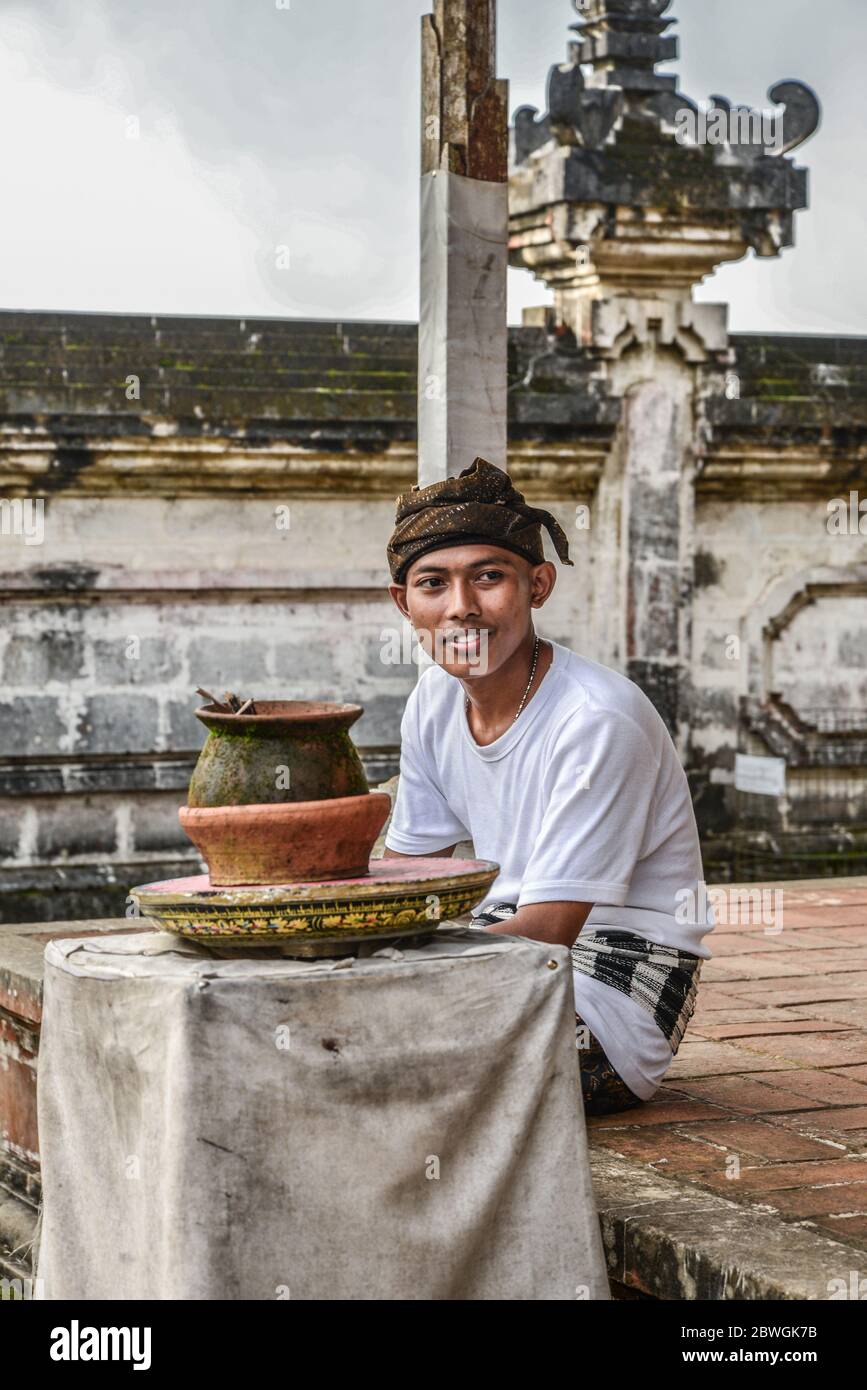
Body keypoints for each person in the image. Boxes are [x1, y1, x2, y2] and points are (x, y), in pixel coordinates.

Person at [381, 456, 715, 1116]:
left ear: (537, 585)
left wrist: (387, 976)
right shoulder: (430, 700)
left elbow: (549, 930)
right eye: (432, 584)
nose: (461, 609)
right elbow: (405, 875)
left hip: (612, 995)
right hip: (498, 958)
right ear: (403, 602)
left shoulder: (595, 719)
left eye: (488, 578)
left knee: (375, 1056)